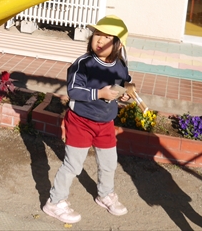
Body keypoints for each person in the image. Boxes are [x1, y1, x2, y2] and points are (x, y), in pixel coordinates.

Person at [42, 15, 134, 224]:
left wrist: (125, 95)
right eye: (97, 34)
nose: (100, 40)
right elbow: (73, 90)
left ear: (118, 44)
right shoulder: (83, 64)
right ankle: (55, 202)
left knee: (109, 163)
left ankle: (105, 194)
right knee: (73, 165)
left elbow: (124, 84)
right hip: (80, 122)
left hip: (106, 123)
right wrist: (100, 93)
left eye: (107, 37)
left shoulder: (120, 65)